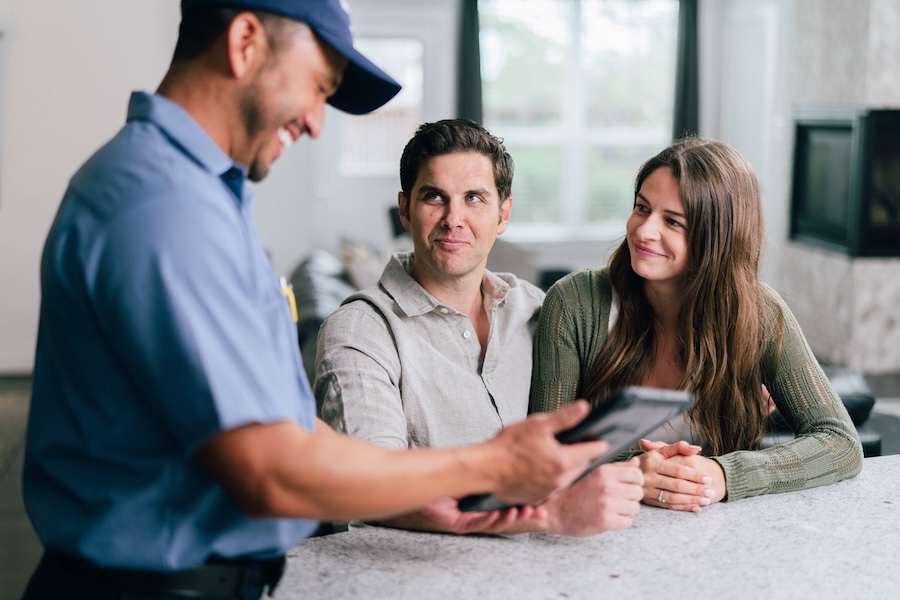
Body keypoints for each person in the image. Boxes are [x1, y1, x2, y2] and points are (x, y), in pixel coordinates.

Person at [21, 3, 610, 599]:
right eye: (319, 85)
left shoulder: (196, 197)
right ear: (246, 41)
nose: (316, 122)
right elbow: (269, 470)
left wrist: (437, 494)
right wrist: (492, 466)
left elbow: (288, 428)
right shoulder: (165, 207)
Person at [316, 118, 644, 536]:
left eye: (474, 198)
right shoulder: (360, 331)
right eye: (434, 197)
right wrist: (548, 515)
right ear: (405, 209)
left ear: (503, 213)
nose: (454, 218)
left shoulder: (539, 309)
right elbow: (369, 489)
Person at [529, 136, 864, 513]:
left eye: (672, 221)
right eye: (642, 208)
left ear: (716, 238)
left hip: (715, 530)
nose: (644, 231)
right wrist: (634, 469)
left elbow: (840, 442)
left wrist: (723, 474)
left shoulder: (761, 312)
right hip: (599, 528)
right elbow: (542, 456)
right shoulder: (574, 303)